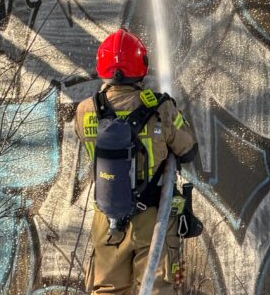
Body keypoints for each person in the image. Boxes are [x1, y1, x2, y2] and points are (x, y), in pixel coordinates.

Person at [75, 28, 199, 294]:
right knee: (156, 289)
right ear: (140, 64)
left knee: (107, 290)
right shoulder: (161, 107)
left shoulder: (85, 110)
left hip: (107, 217)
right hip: (154, 216)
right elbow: (188, 149)